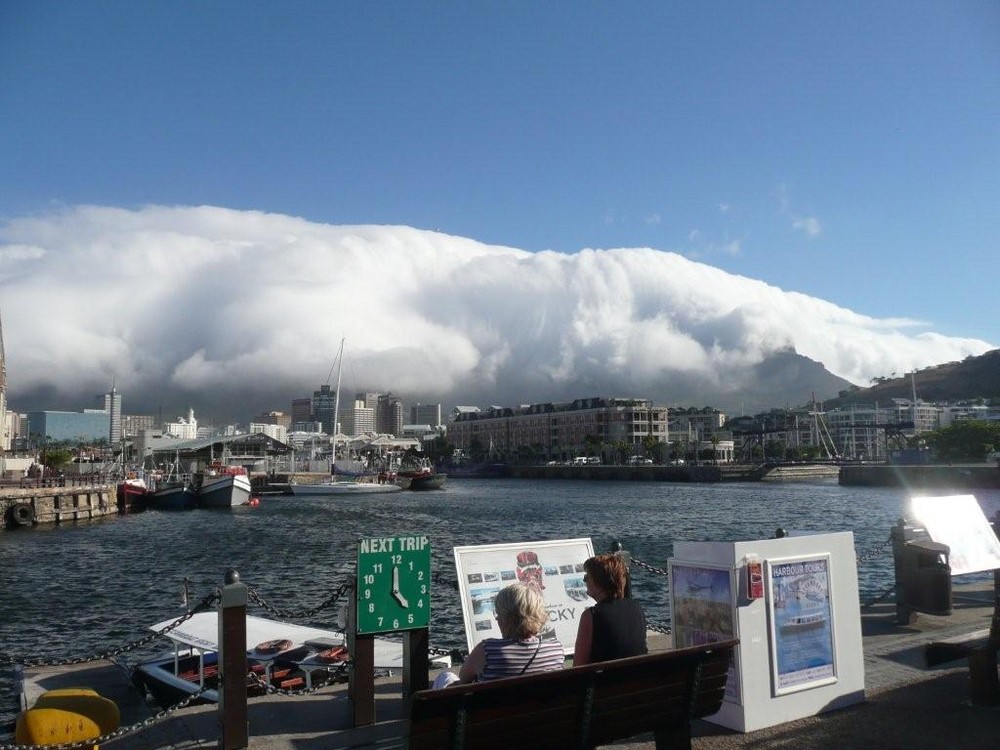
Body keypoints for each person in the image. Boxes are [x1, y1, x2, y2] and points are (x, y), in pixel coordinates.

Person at [435, 582, 564, 687]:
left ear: (509, 618)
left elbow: (463, 681)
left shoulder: (487, 650)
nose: (497, 619)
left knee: (445, 677)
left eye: (498, 614)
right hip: (543, 716)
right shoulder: (555, 649)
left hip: (491, 717)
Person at [573, 553, 647, 666]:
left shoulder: (592, 616)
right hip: (639, 678)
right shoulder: (636, 607)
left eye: (587, 577)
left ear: (599, 582)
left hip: (606, 681)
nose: (584, 581)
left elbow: (578, 666)